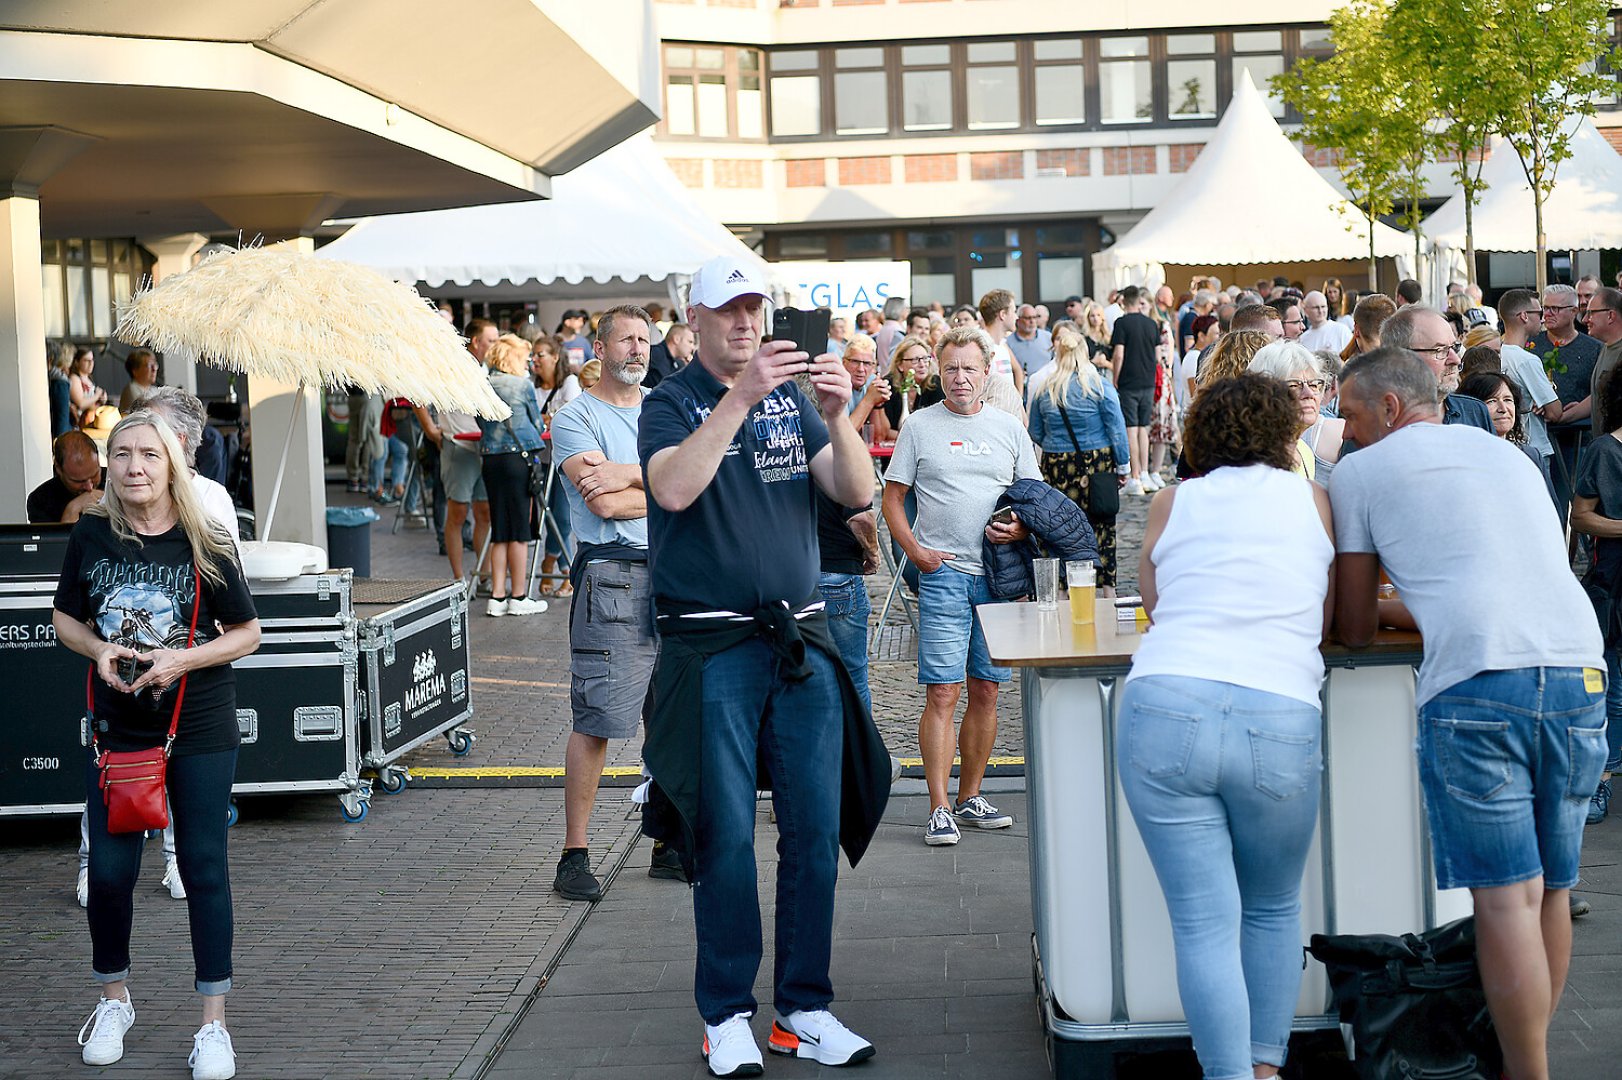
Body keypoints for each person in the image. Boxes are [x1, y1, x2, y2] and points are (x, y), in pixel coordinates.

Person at [638, 256, 884, 1075]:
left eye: (755, 309)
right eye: (729, 310)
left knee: (814, 830)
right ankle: (726, 1014)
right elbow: (672, 490)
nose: (746, 323)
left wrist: (841, 415)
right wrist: (737, 402)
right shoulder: (670, 400)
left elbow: (854, 491)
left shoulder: (790, 397)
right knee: (727, 836)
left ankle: (805, 1009)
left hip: (799, 638)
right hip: (712, 647)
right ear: (695, 319)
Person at [1331, 347, 1606, 1080]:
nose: (1344, 429)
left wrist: (1402, 605)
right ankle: (1531, 1060)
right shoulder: (1506, 456)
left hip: (1481, 678)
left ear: (1390, 407)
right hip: (1580, 664)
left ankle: (1526, 1073)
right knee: (1552, 886)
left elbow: (1352, 624)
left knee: (1504, 901)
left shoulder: (1357, 472)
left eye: (1351, 414)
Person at [1120, 372, 1334, 1080]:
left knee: (1202, 924)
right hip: (1278, 708)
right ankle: (1267, 1067)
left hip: (1167, 700)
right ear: (1285, 433)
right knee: (1271, 907)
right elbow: (1325, 620)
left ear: (1200, 433)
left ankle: (1228, 1077)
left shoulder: (1174, 502)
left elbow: (1156, 602)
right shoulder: (1314, 500)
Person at [54, 411, 261, 1080]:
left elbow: (247, 633)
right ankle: (114, 1000)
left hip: (198, 726)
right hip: (119, 731)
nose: (134, 466)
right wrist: (99, 646)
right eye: (122, 455)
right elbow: (64, 619)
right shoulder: (90, 534)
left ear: (172, 462)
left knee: (203, 869)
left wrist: (183, 662)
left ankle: (213, 1025)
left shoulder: (208, 539)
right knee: (111, 876)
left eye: (148, 454)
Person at [883, 325, 1040, 848]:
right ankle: (939, 805)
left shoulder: (1009, 427)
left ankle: (971, 795)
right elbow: (893, 498)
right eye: (950, 368)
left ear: (986, 370)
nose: (959, 378)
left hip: (998, 576)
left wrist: (1020, 526)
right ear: (938, 371)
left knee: (987, 689)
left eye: (969, 368)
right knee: (943, 691)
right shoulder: (921, 426)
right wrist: (914, 551)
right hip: (943, 574)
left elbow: (1034, 499)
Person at [549, 304, 678, 899]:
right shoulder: (578, 416)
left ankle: (668, 841)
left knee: (674, 718)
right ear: (598, 349)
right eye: (625, 339)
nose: (638, 348)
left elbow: (701, 488)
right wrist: (664, 490)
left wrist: (628, 478)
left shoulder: (667, 408)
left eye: (645, 339)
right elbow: (601, 504)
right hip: (614, 579)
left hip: (678, 577)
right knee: (599, 717)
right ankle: (574, 855)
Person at [1028, 323, 1129, 596]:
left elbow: (1035, 431)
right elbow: (1116, 430)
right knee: (1102, 525)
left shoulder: (1045, 388)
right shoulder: (1099, 386)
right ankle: (1107, 589)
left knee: (1059, 527)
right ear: (1084, 353)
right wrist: (1123, 465)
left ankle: (1061, 592)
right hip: (1097, 464)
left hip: (1057, 466)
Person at [1570, 367, 1622, 825]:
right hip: (1616, 582)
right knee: (1615, 692)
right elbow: (1582, 516)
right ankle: (1600, 782)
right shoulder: (1606, 451)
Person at [475, 335, 548, 617]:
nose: (528, 363)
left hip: (491, 459)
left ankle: (497, 596)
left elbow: (480, 420)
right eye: (524, 358)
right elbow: (537, 423)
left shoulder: (482, 384)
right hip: (519, 458)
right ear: (513, 358)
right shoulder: (522, 385)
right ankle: (518, 596)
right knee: (519, 531)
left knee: (500, 529)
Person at [1531, 284, 1601, 513]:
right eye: (1545, 308)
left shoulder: (1594, 348)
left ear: (1573, 311)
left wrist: (1574, 412)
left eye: (1556, 308)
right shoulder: (1531, 345)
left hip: (1580, 440)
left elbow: (1601, 391)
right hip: (1539, 439)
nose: (1548, 314)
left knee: (1578, 507)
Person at [436, 322, 495, 584]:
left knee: (484, 513)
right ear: (475, 341)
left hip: (485, 448)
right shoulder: (450, 367)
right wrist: (430, 428)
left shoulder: (489, 369)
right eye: (490, 341)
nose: (495, 346)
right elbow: (415, 393)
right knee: (458, 513)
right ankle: (458, 579)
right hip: (458, 447)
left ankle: (483, 575)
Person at [1377, 306, 1493, 433]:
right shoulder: (1368, 426)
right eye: (1440, 350)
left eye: (1455, 347)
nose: (1456, 360)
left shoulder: (1475, 413)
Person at [1249, 340, 1345, 481]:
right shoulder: (1254, 458)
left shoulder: (1304, 451)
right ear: (1265, 392)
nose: (1309, 394)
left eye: (1314, 384)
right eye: (1294, 385)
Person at [1110, 286, 1161, 495]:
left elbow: (1119, 354)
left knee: (1131, 429)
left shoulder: (1121, 323)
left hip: (1129, 382)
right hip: (1148, 381)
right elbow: (1158, 357)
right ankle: (1146, 473)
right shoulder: (1151, 323)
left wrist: (1115, 378)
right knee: (1144, 428)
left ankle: (1135, 476)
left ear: (1123, 301)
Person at [28, 430, 103, 524]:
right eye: (79, 481)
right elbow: (50, 538)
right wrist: (71, 511)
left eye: (94, 476)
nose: (89, 487)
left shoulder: (118, 481)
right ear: (58, 469)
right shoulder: (41, 500)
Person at [1583, 287, 1622, 436]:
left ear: (1611, 316)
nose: (1585, 319)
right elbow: (1599, 394)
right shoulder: (1606, 347)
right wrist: (1568, 414)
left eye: (1591, 313)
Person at [978, 288, 1024, 392]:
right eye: (1014, 311)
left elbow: (1018, 371)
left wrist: (1018, 402)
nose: (1016, 317)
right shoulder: (980, 346)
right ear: (1003, 314)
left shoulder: (1002, 345)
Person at [1009, 303, 1053, 383]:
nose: (1032, 321)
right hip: (1022, 389)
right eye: (1028, 318)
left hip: (1047, 387)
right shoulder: (1008, 343)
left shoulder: (1048, 337)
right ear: (1018, 321)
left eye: (1034, 317)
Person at [69, 346, 108, 428]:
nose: (91, 363)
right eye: (87, 360)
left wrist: (102, 399)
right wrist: (97, 395)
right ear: (76, 362)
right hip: (81, 424)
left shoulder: (89, 379)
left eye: (92, 360)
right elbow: (81, 404)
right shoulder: (75, 378)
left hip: (93, 420)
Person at [872, 296, 906, 365]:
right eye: (906, 308)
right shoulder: (897, 332)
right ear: (900, 310)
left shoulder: (884, 329)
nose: (908, 310)